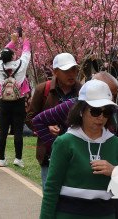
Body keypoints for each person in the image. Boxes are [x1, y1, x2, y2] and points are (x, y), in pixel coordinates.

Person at [31, 71, 118, 182]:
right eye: (95, 112)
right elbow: (38, 121)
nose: (111, 99)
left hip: (104, 173)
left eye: (113, 95)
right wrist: (55, 149)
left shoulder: (112, 109)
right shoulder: (72, 105)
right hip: (74, 173)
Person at [40, 79, 118, 219]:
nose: (101, 117)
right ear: (81, 110)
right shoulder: (65, 143)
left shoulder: (116, 144)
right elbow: (52, 189)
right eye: (95, 111)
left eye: (107, 112)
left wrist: (115, 172)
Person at [26, 52, 81, 187]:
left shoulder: (83, 90)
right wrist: (46, 127)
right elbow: (30, 118)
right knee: (51, 193)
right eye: (66, 70)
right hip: (49, 152)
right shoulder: (42, 90)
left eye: (74, 70)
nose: (71, 74)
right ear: (55, 72)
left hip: (77, 152)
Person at [0, 32, 31, 168]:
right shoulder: (21, 64)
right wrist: (24, 40)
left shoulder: (0, 66)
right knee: (18, 130)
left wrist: (12, 41)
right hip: (18, 101)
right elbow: (26, 52)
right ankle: (18, 158)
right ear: (12, 56)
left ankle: (1, 159)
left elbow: (1, 54)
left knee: (3, 131)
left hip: (4, 101)